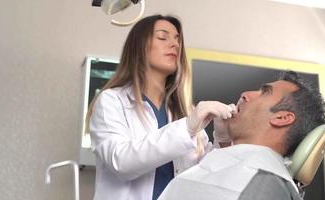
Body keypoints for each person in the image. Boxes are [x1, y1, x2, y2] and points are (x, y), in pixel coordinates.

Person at [87, 15, 237, 200]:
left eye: (177, 39)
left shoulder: (184, 111)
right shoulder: (112, 101)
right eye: (162, 37)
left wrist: (222, 139)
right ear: (139, 47)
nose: (175, 44)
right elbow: (120, 162)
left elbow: (206, 174)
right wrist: (187, 128)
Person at [158, 71, 325, 200]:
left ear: (282, 118)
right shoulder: (250, 176)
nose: (245, 94)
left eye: (265, 92)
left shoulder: (266, 187)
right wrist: (223, 143)